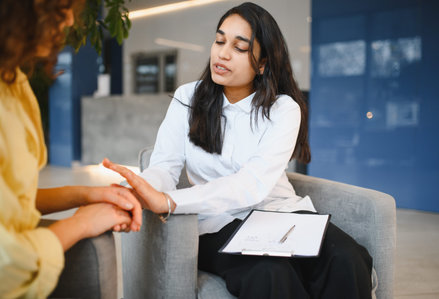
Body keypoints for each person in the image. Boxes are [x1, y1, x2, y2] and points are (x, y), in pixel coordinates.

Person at [104, 2, 373, 298]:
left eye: (239, 47)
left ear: (262, 63)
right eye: (219, 41)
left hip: (281, 214)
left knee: (348, 258)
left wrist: (169, 201)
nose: (222, 53)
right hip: (218, 223)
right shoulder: (188, 98)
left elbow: (253, 184)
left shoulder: (283, 109)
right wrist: (139, 190)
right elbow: (164, 167)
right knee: (269, 273)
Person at [0, 1, 142, 298]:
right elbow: (7, 265)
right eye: (59, 8)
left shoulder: (15, 82)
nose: (68, 22)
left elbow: (14, 201)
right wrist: (80, 223)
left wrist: (89, 193)